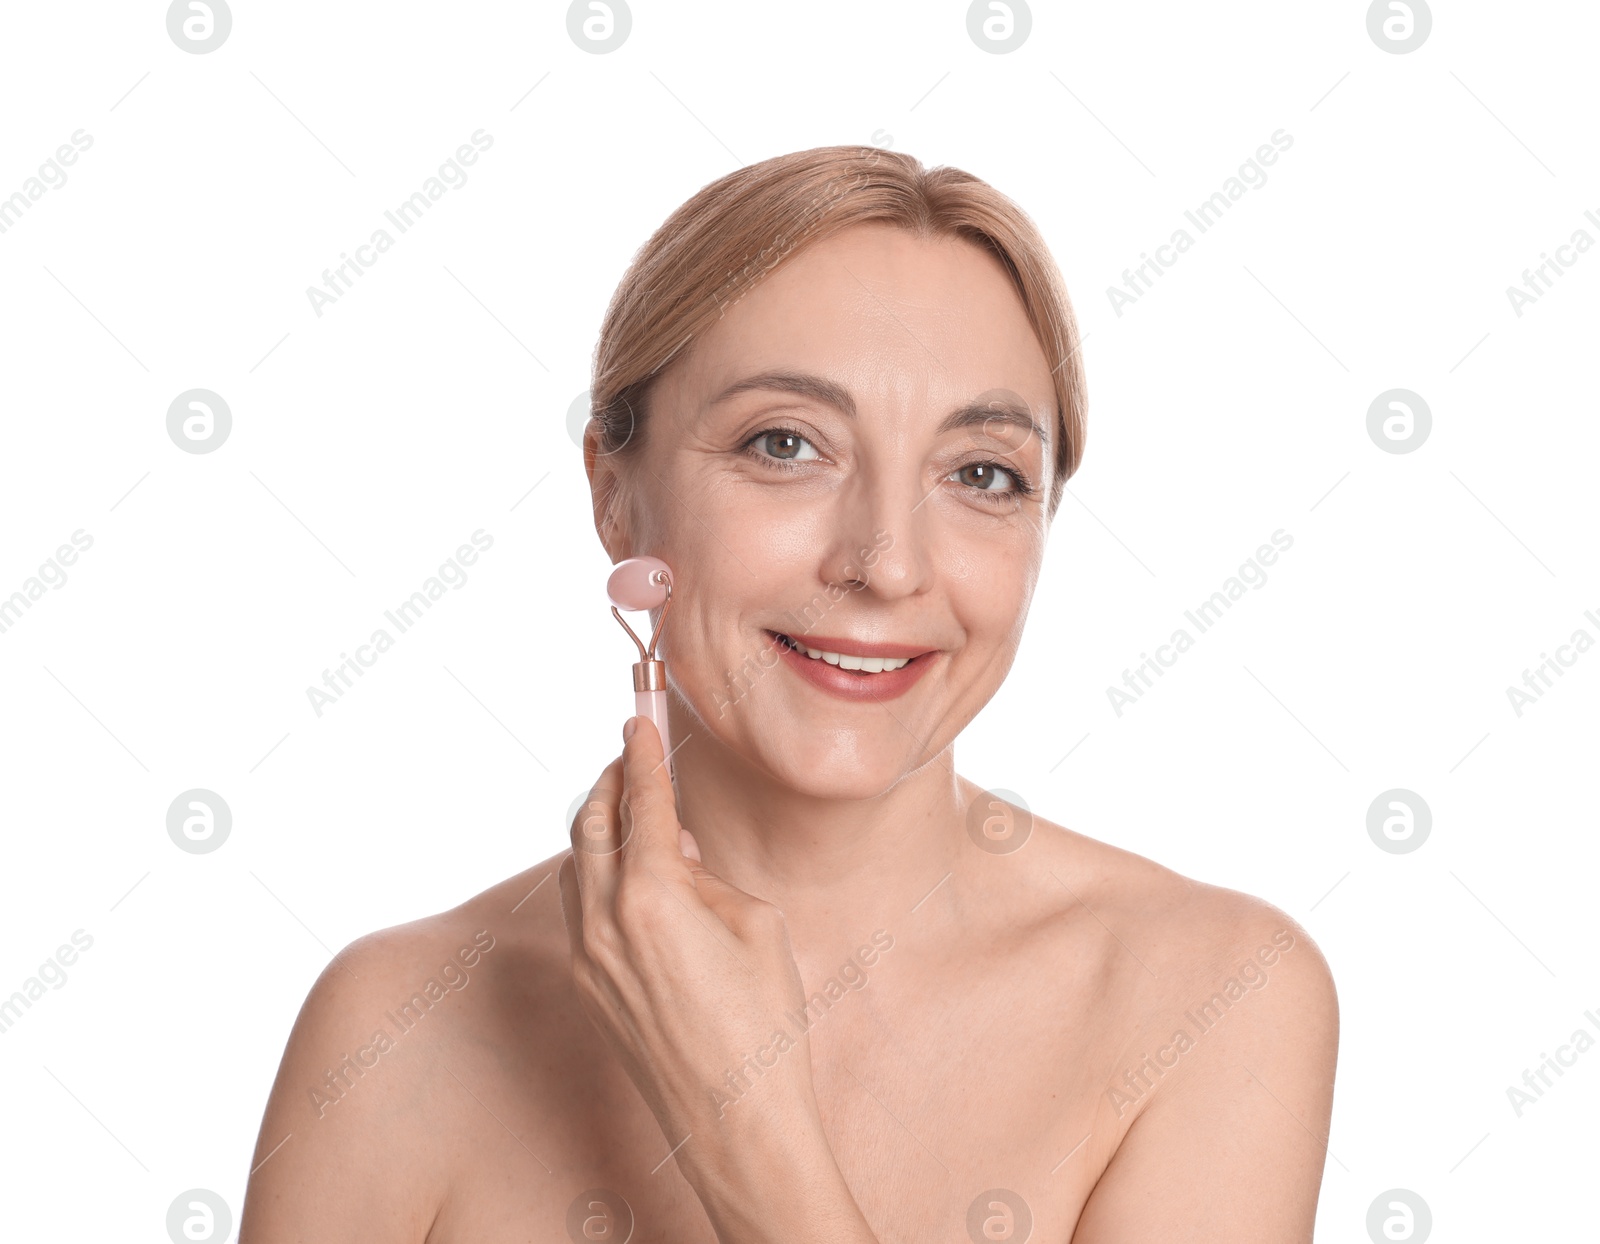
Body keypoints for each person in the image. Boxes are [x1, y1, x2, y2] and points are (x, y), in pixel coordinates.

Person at [240, 145, 1338, 1243]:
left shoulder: (1213, 999)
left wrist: (745, 1121)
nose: (888, 562)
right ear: (615, 497)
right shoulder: (392, 1031)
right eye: (785, 444)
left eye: (981, 472)